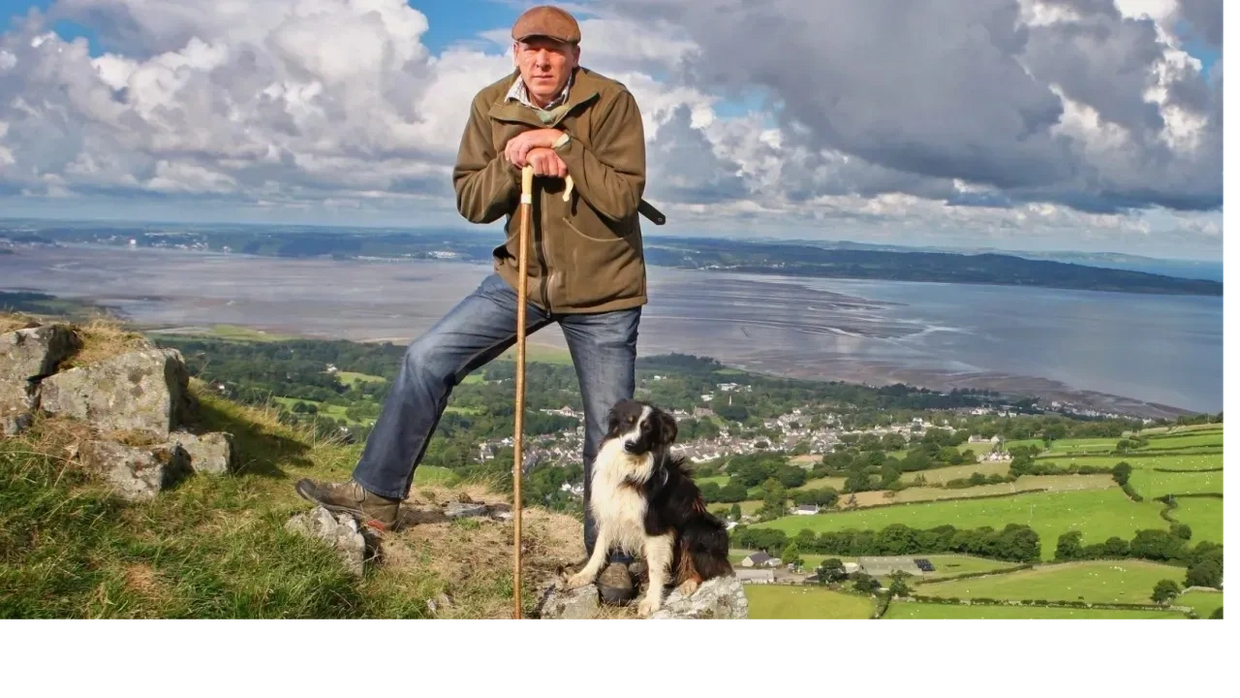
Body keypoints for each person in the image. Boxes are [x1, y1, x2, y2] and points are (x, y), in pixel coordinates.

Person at [294, 5, 650, 604]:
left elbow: (623, 197)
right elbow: (472, 201)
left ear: (575, 56)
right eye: (531, 48)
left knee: (610, 430)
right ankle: (377, 495)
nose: (542, 60)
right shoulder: (490, 104)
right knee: (426, 358)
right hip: (522, 278)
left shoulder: (612, 102)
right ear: (515, 52)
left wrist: (562, 144)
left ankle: (611, 556)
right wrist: (513, 160)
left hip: (605, 291)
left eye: (555, 50)